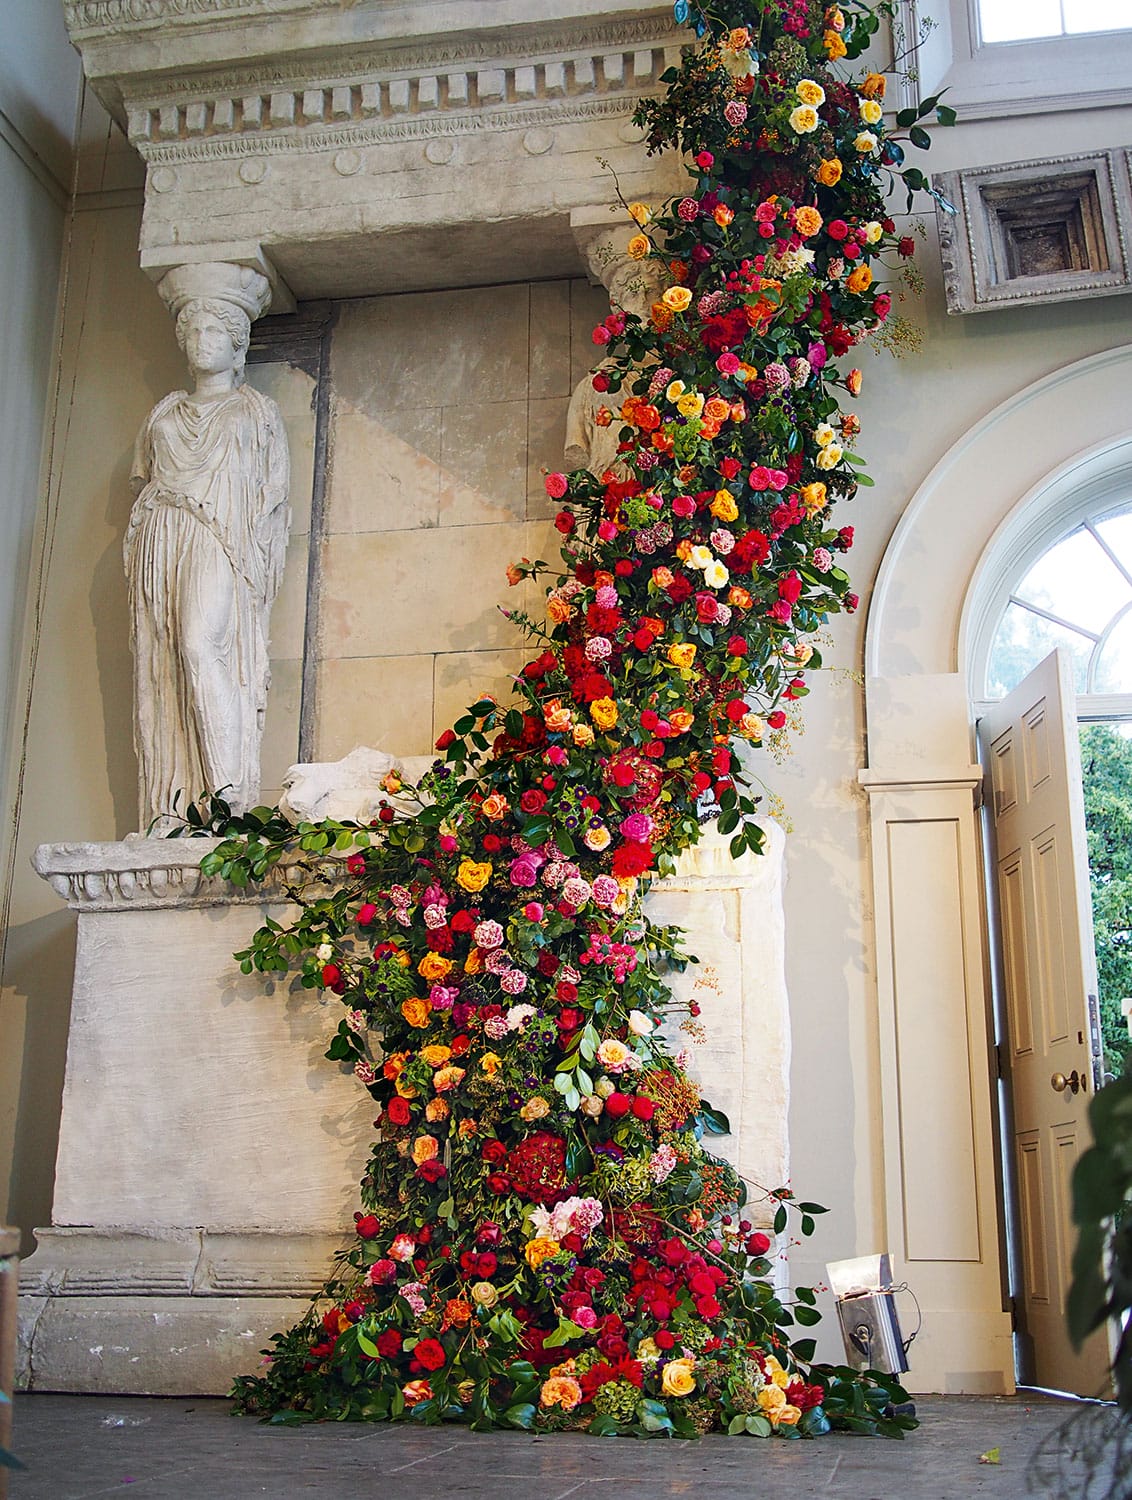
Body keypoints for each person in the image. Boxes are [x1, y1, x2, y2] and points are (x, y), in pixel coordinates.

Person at [125, 292, 290, 828]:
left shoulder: (256, 411)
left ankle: (228, 796)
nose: (202, 341)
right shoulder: (164, 413)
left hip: (221, 539)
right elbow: (145, 478)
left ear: (237, 345)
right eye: (193, 332)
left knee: (202, 645)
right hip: (162, 535)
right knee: (168, 660)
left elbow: (273, 498)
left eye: (214, 332)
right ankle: (176, 804)